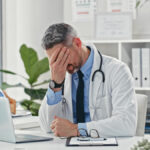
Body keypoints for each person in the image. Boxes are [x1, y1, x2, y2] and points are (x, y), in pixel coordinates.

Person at [39, 23, 137, 138]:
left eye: (63, 56)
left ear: (77, 43)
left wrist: (76, 130)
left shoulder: (117, 70)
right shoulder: (59, 75)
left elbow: (126, 124)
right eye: (55, 60)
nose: (62, 65)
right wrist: (56, 84)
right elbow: (47, 126)